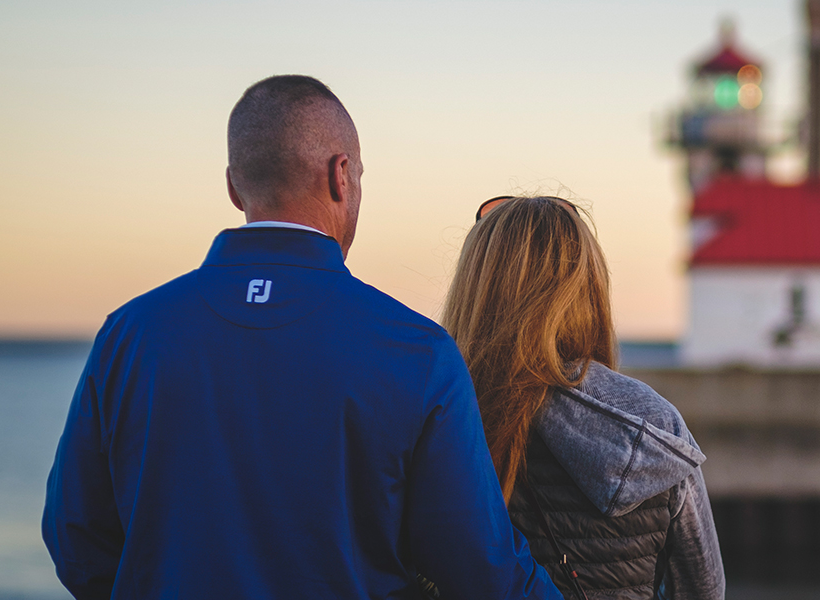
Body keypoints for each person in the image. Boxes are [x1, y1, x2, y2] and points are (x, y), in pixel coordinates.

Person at [42, 75, 562, 600]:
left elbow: (77, 541)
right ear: (341, 176)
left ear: (233, 185)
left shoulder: (130, 336)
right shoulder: (415, 351)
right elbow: (480, 569)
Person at [441, 196, 725, 599]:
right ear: (589, 285)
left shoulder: (442, 413)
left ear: (477, 290)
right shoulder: (654, 422)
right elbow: (704, 588)